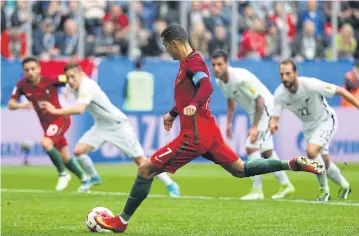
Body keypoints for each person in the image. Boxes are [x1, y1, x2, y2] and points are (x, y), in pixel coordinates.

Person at [94, 24, 324, 233]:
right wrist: (174, 113)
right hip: (209, 132)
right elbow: (190, 94)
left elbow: (206, 86)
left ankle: (120, 222)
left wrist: (193, 105)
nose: (166, 51)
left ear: (175, 44)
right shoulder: (189, 62)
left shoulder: (193, 63)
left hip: (193, 137)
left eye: (166, 46)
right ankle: (291, 164)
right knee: (240, 170)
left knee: (145, 169)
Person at [42, 62, 180, 196]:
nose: (71, 81)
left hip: (117, 125)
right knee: (79, 151)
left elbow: (79, 109)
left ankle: (170, 184)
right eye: (68, 78)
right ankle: (93, 178)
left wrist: (55, 111)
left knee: (141, 162)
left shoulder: (87, 86)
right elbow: (55, 81)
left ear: (81, 74)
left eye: (73, 76)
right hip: (101, 125)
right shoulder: (72, 86)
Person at [270, 59, 359, 201]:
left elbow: (341, 91)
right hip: (308, 128)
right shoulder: (280, 94)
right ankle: (344, 185)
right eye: (281, 75)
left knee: (311, 151)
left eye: (288, 74)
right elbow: (274, 117)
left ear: (295, 73)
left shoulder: (310, 84)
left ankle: (324, 191)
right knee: (325, 161)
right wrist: (273, 124)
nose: (284, 78)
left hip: (326, 120)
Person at [211, 49, 294, 200]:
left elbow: (260, 100)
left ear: (227, 64)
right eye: (214, 65)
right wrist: (229, 122)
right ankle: (285, 184)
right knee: (267, 151)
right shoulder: (220, 81)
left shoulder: (240, 78)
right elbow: (230, 99)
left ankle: (257, 190)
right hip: (255, 111)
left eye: (220, 64)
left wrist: (254, 127)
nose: (216, 68)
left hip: (266, 108)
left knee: (251, 146)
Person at [7, 56, 90, 192]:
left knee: (46, 143)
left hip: (60, 118)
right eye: (27, 70)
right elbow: (11, 104)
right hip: (46, 123)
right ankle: (85, 178)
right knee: (64, 156)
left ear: (39, 69)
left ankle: (63, 173)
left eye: (33, 68)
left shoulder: (50, 80)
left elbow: (71, 79)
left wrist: (82, 79)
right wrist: (23, 104)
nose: (30, 72)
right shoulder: (22, 84)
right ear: (23, 71)